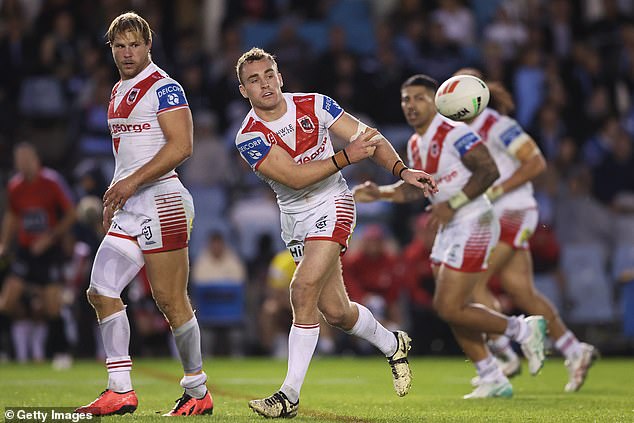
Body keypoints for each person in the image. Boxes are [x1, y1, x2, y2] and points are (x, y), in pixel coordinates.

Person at [234, 47, 437, 418]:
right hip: (294, 218)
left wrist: (402, 171)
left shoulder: (316, 105)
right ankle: (394, 343)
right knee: (336, 312)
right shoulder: (248, 136)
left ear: (280, 77)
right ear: (244, 90)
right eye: (253, 79)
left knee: (301, 289)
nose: (263, 83)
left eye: (268, 74)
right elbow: (294, 179)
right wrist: (347, 156)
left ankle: (288, 396)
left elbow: (368, 139)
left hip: (334, 203)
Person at [353, 74, 547, 399]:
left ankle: (523, 329)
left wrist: (453, 204)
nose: (411, 105)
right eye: (405, 99)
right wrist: (382, 193)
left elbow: (489, 171)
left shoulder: (454, 132)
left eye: (419, 98)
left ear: (436, 100)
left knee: (449, 306)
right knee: (452, 305)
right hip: (451, 224)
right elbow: (417, 191)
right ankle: (492, 375)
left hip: (475, 221)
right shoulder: (416, 143)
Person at [74, 12, 212, 416]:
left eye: (135, 44)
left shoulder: (164, 87)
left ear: (148, 46)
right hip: (129, 207)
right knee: (100, 290)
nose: (128, 52)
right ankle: (120, 390)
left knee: (170, 301)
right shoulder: (117, 90)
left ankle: (198, 390)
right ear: (111, 49)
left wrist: (129, 184)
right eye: (120, 45)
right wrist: (115, 196)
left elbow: (182, 146)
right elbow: (126, 159)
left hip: (163, 201)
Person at [454, 68, 597, 392]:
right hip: (492, 215)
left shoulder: (497, 125)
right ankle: (575, 350)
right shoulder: (457, 129)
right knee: (520, 291)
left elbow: (535, 163)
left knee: (469, 282)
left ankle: (504, 354)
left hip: (513, 210)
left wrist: (497, 189)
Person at [0, 142, 76, 365]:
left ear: (35, 160)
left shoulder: (51, 182)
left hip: (49, 251)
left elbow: (71, 214)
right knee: (7, 300)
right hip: (25, 251)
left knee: (52, 304)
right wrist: (4, 244)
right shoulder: (15, 186)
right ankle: (4, 351)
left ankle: (62, 353)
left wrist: (50, 237)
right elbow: (13, 216)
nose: (22, 163)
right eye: (18, 159)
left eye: (26, 158)